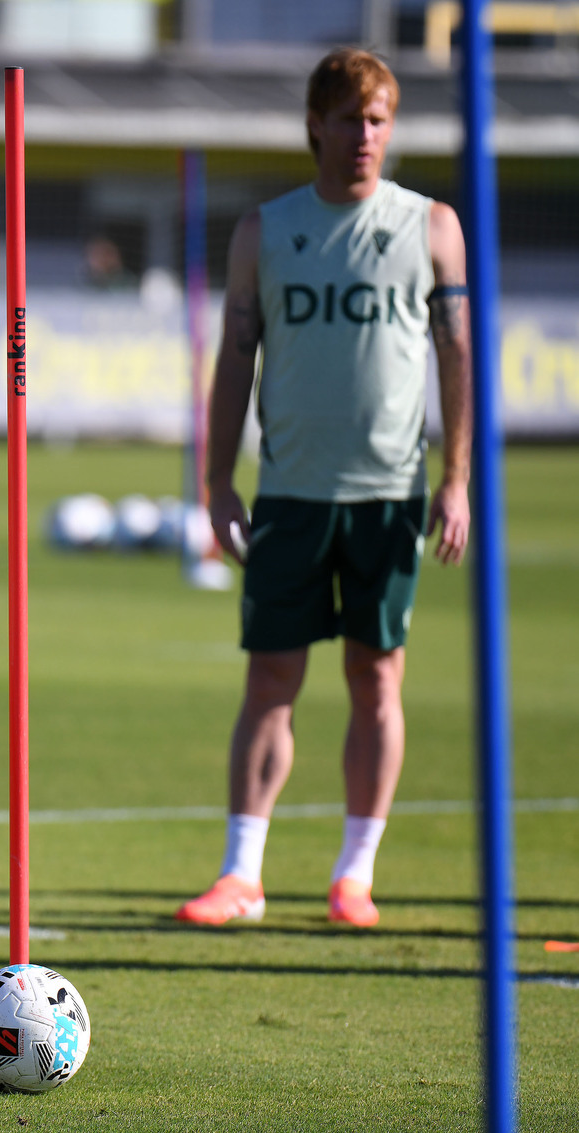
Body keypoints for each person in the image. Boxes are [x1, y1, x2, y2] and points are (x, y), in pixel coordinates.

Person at [177, 48, 472, 930]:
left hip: (389, 492)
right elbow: (235, 360)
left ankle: (355, 873)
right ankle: (241, 874)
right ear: (316, 125)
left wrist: (456, 480)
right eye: (350, 119)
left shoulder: (432, 226)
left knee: (377, 678)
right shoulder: (264, 231)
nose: (366, 136)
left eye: (379, 120)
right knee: (270, 678)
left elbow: (457, 355)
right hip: (291, 493)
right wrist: (216, 481)